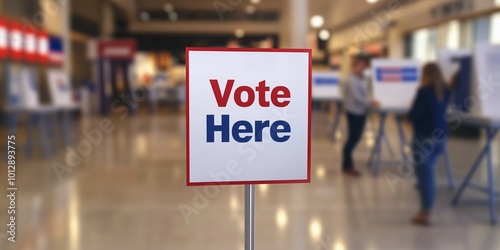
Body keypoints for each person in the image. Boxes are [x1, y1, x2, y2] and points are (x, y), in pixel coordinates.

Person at [408, 63, 450, 226]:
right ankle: (426, 207)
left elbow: (414, 115)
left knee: (425, 177)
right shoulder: (445, 91)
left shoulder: (423, 91)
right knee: (428, 174)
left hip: (424, 137)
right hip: (440, 137)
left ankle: (427, 211)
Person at [342, 54, 378, 177]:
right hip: (354, 112)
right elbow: (357, 97)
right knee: (353, 138)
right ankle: (347, 165)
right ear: (356, 65)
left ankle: (347, 165)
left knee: (355, 137)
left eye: (364, 66)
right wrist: (370, 102)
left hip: (361, 111)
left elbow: (366, 93)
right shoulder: (351, 79)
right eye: (361, 66)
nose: (363, 68)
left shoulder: (361, 78)